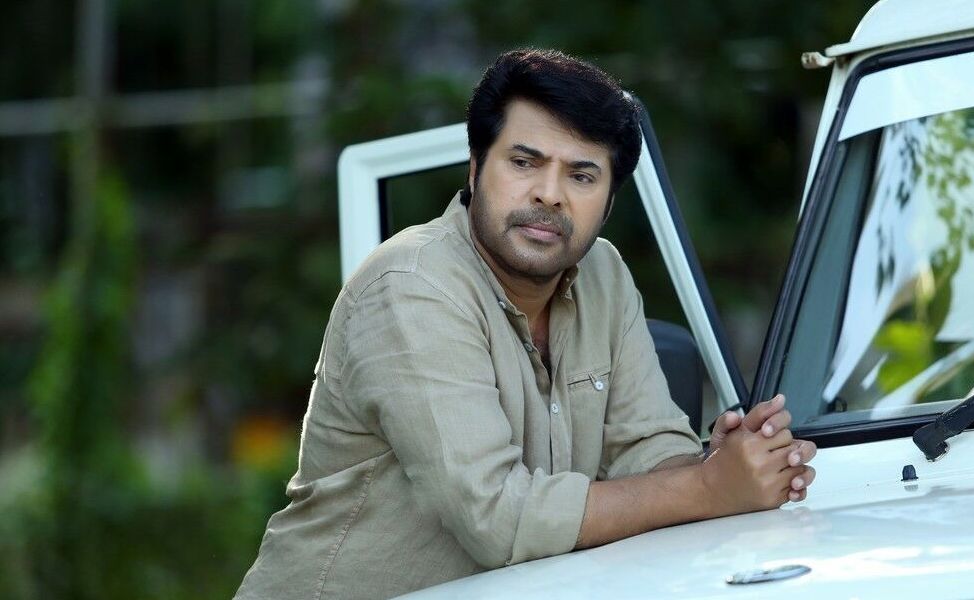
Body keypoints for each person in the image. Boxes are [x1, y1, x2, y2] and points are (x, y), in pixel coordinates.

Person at [234, 48, 817, 600]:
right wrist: (706, 489)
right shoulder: (411, 286)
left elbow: (646, 450)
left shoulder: (604, 275)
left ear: (608, 203)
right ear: (474, 168)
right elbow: (496, 518)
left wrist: (721, 467)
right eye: (523, 162)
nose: (549, 194)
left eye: (582, 176)